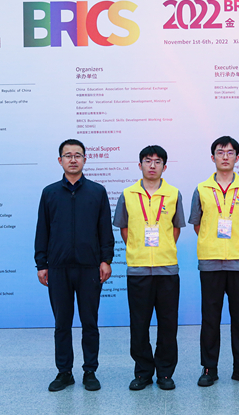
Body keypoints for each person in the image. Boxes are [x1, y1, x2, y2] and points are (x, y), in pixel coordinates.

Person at [35, 139, 114, 392]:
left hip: (89, 267)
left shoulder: (97, 191)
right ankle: (64, 372)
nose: (72, 159)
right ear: (60, 160)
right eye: (67, 155)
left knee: (90, 322)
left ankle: (90, 371)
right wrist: (41, 263)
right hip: (58, 268)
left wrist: (106, 260)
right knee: (62, 324)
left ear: (85, 160)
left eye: (77, 155)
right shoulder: (49, 193)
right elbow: (42, 230)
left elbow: (105, 229)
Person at [188, 135, 239, 386]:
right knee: (210, 318)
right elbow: (197, 224)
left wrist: (234, 243)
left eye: (230, 152)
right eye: (220, 152)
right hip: (210, 261)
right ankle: (209, 368)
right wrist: (214, 243)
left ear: (237, 157)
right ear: (213, 157)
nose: (225, 156)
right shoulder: (201, 189)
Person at [113, 145, 186, 391]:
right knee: (139, 323)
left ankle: (165, 373)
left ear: (165, 166)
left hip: (167, 269)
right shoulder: (128, 194)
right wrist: (138, 249)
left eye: (157, 161)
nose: (152, 165)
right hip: (138, 269)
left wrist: (162, 248)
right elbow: (124, 229)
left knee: (168, 323)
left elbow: (176, 229)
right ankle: (143, 372)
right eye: (147, 160)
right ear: (140, 165)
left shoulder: (173, 194)